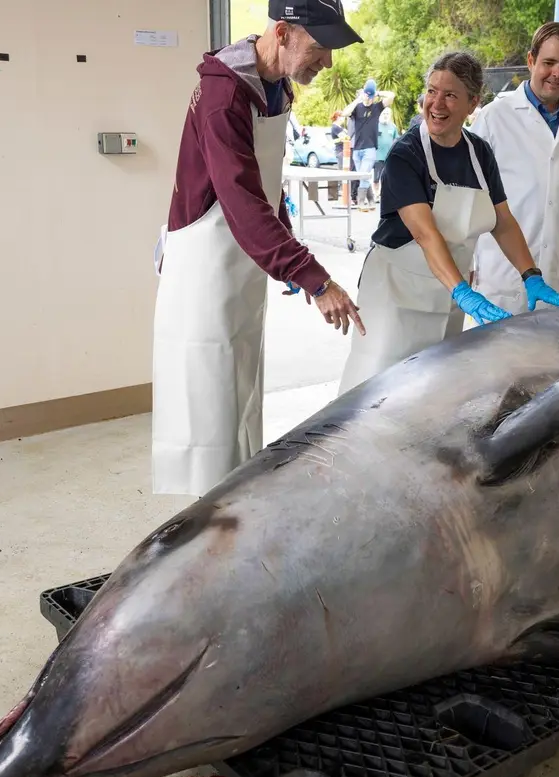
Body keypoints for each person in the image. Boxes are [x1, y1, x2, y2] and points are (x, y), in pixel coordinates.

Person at [152, 1, 366, 497]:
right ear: (284, 32)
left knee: (241, 399)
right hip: (205, 272)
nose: (327, 63)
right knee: (208, 414)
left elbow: (265, 186)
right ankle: (203, 534)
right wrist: (313, 277)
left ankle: (232, 514)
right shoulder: (224, 94)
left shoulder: (275, 87)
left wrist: (288, 249)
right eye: (320, 49)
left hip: (238, 266)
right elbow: (242, 202)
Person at [337, 51, 559, 395]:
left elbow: (502, 221)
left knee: (431, 392)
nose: (437, 104)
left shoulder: (479, 152)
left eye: (450, 95)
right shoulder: (406, 154)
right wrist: (464, 293)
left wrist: (531, 276)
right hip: (397, 294)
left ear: (473, 103)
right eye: (432, 91)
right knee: (376, 390)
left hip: (447, 295)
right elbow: (424, 233)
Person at [469, 21, 559, 312]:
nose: (558, 73)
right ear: (531, 61)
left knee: (550, 353)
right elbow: (471, 195)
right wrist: (466, 260)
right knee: (496, 354)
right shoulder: (495, 118)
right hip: (500, 271)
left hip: (557, 269)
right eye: (549, 62)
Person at [343, 79, 385, 207]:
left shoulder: (377, 107)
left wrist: (377, 93)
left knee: (363, 174)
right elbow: (345, 113)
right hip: (357, 148)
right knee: (364, 176)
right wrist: (358, 99)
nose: (369, 99)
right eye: (368, 96)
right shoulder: (358, 108)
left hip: (370, 147)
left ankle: (361, 201)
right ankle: (371, 200)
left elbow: (391, 96)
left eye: (370, 96)